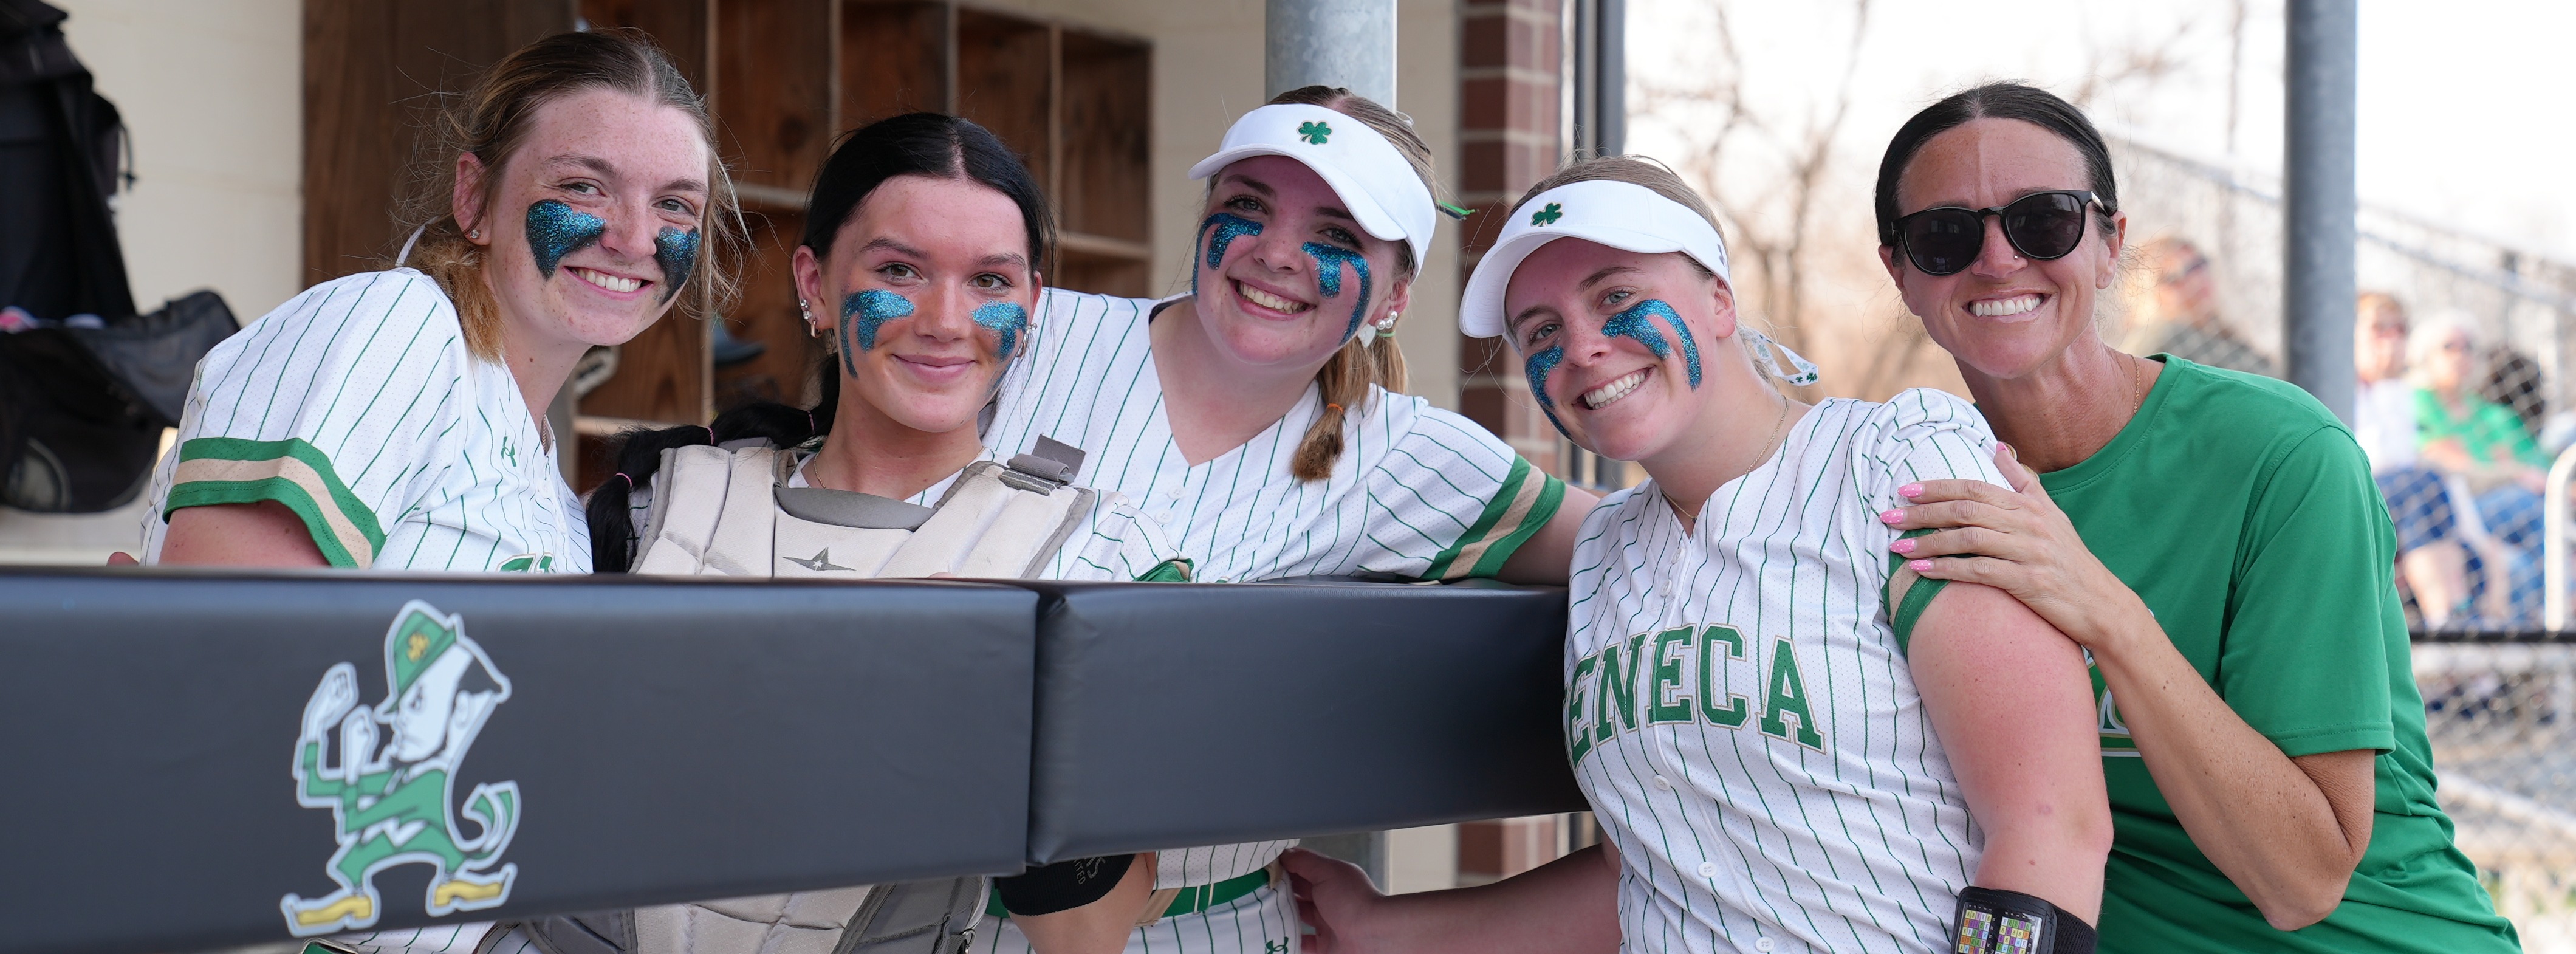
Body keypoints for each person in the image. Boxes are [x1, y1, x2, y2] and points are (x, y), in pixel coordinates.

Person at [1283, 157, 2110, 954]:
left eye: (1616, 297)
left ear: (1719, 299)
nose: (1582, 346)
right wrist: (1382, 929)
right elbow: (1651, 874)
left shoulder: (1892, 458)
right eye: (1541, 331)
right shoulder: (1607, 549)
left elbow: (2050, 822)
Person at [1875, 82, 2516, 952]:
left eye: (2045, 221)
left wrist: (2103, 611)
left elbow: (2303, 879)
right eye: (1947, 234)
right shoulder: (1905, 493)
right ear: (1901, 272)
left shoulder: (2280, 455)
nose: (1996, 259)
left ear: (2110, 246)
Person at [970, 88, 1595, 954]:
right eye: (1245, 210)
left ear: (1395, 294)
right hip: (916, 911)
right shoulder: (1037, 335)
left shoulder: (1403, 452)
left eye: (1336, 236)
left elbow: (1628, 544)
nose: (1275, 254)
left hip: (1207, 927)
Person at [579, 112, 1185, 954]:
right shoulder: (665, 499)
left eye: (989, 282)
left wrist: (1012, 735)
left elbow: (1089, 935)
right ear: (815, 283)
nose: (944, 318)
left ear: (1033, 304)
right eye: (899, 269)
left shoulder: (1096, 552)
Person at [134, 29, 739, 574]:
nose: (635, 240)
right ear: (474, 198)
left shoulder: (553, 494)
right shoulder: (399, 328)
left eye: (674, 205)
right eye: (584, 187)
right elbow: (230, 648)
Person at [2354, 293, 2498, 625]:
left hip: (2402, 500)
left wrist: (2486, 548)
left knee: (2476, 552)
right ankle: (2446, 617)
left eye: (2400, 331)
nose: (2391, 340)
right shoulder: (2334, 385)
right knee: (2422, 483)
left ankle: (2456, 621)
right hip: (2354, 497)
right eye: (2379, 329)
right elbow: (2374, 460)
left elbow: (2407, 461)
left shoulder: (2396, 392)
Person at [2410, 314, 2547, 622]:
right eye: (2449, 347)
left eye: (2469, 347)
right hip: (2449, 512)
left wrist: (2490, 471)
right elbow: (2446, 472)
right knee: (2525, 501)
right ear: (2425, 354)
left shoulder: (2491, 414)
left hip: (2506, 516)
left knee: (2520, 564)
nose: (2461, 356)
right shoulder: (2414, 404)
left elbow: (2540, 474)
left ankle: (2531, 647)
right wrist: (2509, 471)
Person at [2119, 236, 2276, 377]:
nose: (2196, 281)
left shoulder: (2219, 334)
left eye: (2198, 266)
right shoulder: (2163, 337)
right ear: (2145, 291)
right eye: (2174, 277)